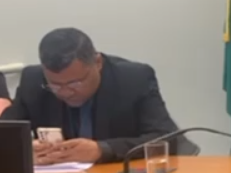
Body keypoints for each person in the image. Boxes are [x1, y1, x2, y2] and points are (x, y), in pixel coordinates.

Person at [1, 28, 181, 164]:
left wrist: (102, 150)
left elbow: (167, 138)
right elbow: (5, 133)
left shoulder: (133, 79)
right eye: (55, 85)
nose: (65, 92)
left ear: (98, 63)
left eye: (75, 83)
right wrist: (23, 150)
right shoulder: (32, 80)